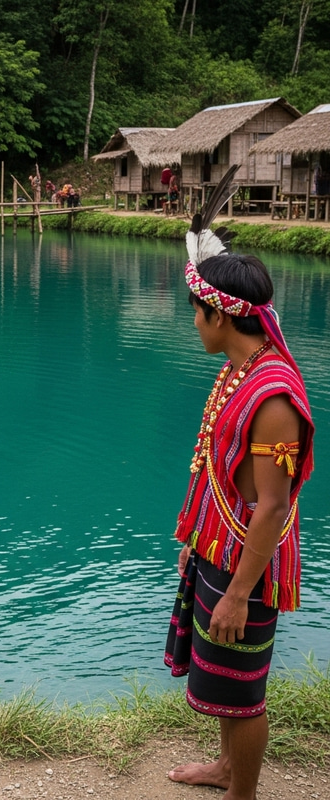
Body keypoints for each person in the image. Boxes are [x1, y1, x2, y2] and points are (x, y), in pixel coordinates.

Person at [164, 167, 314, 800]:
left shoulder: (272, 397)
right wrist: (196, 546)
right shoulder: (238, 369)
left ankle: (241, 794)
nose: (193, 323)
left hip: (245, 567)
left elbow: (272, 506)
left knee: (242, 692)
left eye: (196, 314)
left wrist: (237, 594)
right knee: (220, 678)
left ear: (220, 317)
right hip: (218, 551)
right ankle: (227, 770)